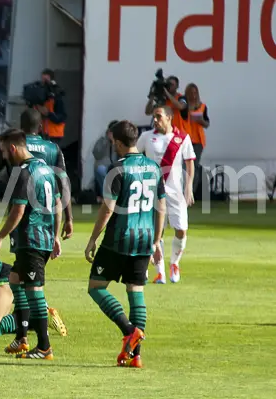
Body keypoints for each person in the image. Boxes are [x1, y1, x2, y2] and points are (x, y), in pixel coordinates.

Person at [85, 120, 167, 368]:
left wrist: (93, 238)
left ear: (119, 143)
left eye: (113, 142)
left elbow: (108, 208)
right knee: (135, 291)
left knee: (96, 287)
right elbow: (161, 207)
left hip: (119, 238)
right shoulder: (153, 168)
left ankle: (129, 330)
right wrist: (156, 240)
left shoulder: (117, 169)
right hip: (144, 239)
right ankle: (135, 355)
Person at [0, 128, 61, 360]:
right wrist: (56, 235)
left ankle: (44, 347)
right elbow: (58, 203)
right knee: (15, 280)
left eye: (4, 152)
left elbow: (18, 211)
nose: (4, 157)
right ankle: (21, 338)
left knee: (34, 290)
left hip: (32, 239)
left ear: (12, 148)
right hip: (43, 237)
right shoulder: (46, 169)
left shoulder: (24, 173)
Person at [0, 109, 73, 239]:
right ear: (40, 127)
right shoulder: (53, 148)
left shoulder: (13, 145)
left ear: (20, 127)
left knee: (23, 251)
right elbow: (63, 183)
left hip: (19, 209)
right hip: (46, 214)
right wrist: (69, 218)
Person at [136, 106, 195, 284]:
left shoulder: (183, 138)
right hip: (153, 190)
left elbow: (190, 162)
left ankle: (174, 263)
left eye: (159, 116)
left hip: (175, 191)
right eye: (154, 116)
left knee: (181, 230)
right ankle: (159, 270)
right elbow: (135, 155)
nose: (155, 120)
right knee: (156, 232)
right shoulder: (146, 137)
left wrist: (189, 187)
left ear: (169, 117)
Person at [183, 83, 210, 197]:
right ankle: (183, 190)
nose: (193, 95)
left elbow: (207, 123)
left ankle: (191, 192)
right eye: (191, 93)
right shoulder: (183, 106)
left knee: (194, 167)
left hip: (198, 141)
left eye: (195, 93)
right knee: (184, 166)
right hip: (186, 139)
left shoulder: (202, 106)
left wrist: (200, 120)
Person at [35, 69, 66, 145]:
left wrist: (48, 113)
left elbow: (61, 118)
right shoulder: (40, 97)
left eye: (46, 80)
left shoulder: (57, 97)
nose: (44, 83)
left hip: (54, 135)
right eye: (42, 80)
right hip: (42, 133)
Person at [92, 120, 120, 202]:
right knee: (101, 170)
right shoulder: (102, 140)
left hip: (116, 167)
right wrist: (106, 141)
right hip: (104, 168)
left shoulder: (120, 143)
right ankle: (107, 196)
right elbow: (96, 154)